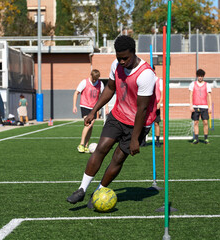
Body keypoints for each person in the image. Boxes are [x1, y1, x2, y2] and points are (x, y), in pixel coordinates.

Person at [67, 35, 157, 206]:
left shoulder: (146, 75)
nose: (122, 61)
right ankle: (81, 189)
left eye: (126, 58)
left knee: (118, 158)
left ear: (134, 53)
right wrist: (93, 111)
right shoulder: (116, 65)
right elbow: (110, 88)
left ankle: (98, 192)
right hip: (118, 115)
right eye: (119, 57)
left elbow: (142, 110)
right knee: (101, 148)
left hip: (138, 122)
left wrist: (135, 140)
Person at [73, 69, 108, 153]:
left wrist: (106, 107)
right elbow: (76, 93)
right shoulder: (84, 82)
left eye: (97, 79)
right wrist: (74, 105)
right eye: (94, 79)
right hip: (85, 105)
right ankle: (81, 144)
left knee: (91, 126)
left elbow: (103, 96)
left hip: (94, 108)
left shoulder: (100, 84)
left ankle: (86, 146)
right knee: (88, 123)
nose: (95, 81)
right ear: (91, 75)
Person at [189, 69, 212, 144]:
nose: (200, 77)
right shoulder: (193, 84)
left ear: (203, 76)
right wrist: (191, 105)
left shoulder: (207, 85)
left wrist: (210, 106)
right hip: (195, 106)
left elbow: (209, 96)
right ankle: (196, 139)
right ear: (197, 76)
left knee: (205, 122)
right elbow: (190, 95)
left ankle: (206, 138)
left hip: (204, 107)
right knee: (196, 122)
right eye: (199, 76)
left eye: (201, 76)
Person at [153, 65, 163, 147]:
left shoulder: (159, 80)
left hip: (156, 105)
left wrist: (159, 103)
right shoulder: (146, 80)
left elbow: (162, 93)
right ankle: (143, 140)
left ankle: (157, 140)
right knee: (145, 123)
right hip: (148, 105)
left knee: (156, 123)